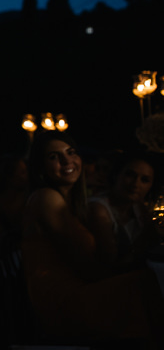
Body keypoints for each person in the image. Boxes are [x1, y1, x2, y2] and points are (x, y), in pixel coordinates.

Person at [21, 130, 164, 346]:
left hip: (78, 290)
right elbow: (88, 267)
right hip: (62, 303)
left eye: (71, 152)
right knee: (147, 282)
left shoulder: (70, 202)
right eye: (53, 157)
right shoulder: (46, 198)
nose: (66, 161)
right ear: (40, 167)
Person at [88, 154, 159, 272]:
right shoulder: (98, 208)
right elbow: (110, 261)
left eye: (144, 180)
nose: (135, 184)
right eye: (130, 175)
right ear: (117, 175)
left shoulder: (138, 207)